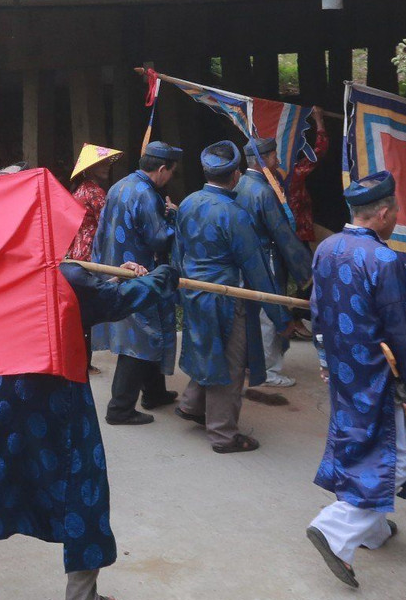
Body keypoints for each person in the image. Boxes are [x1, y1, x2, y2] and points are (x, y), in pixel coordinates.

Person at [0, 260, 177, 600]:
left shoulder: (7, 267)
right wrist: (164, 275)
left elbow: (83, 294)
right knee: (83, 490)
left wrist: (110, 277)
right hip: (58, 402)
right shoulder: (69, 274)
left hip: (6, 396)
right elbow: (116, 300)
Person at [304, 173, 406, 590]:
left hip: (341, 369)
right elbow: (402, 334)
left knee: (356, 442)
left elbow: (317, 312)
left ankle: (372, 532)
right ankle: (336, 530)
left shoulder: (326, 248)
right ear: (385, 212)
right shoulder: (385, 261)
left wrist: (324, 359)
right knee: (398, 458)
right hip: (377, 374)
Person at [173, 143, 282, 450]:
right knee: (229, 363)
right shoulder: (235, 214)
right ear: (236, 175)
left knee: (204, 349)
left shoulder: (187, 203)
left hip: (194, 291)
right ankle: (223, 433)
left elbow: (176, 252)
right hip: (225, 297)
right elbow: (255, 265)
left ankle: (191, 405)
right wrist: (279, 314)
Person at [88, 142, 183, 425]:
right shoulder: (146, 194)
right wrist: (174, 216)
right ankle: (119, 408)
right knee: (140, 338)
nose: (171, 179)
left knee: (147, 333)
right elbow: (159, 239)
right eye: (172, 173)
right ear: (162, 169)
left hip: (116, 269)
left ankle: (154, 392)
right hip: (138, 274)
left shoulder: (121, 185)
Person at [234, 137, 312, 388]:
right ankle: (269, 369)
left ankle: (250, 361)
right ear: (263, 160)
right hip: (266, 259)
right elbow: (281, 232)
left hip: (243, 259)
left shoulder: (238, 184)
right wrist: (304, 269)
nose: (277, 160)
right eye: (274, 156)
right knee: (271, 313)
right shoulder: (264, 190)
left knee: (249, 312)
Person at [66, 145, 121, 262]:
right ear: (90, 168)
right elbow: (108, 224)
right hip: (91, 254)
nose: (107, 167)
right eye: (102, 163)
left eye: (107, 163)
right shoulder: (94, 192)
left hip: (77, 252)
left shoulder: (80, 189)